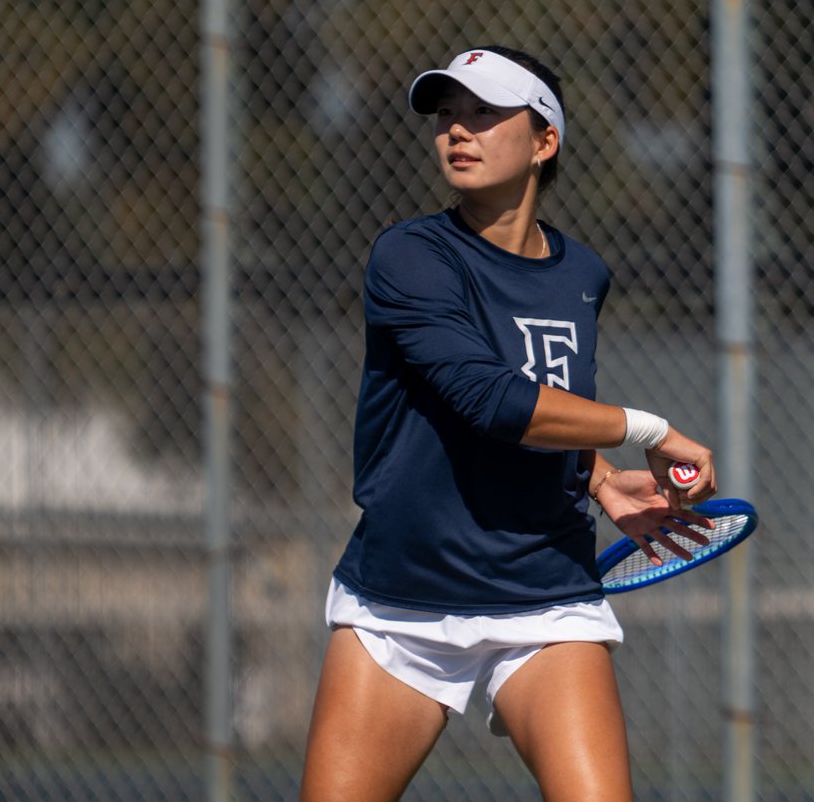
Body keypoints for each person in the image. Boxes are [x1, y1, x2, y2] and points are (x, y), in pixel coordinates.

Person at [299, 45, 718, 802]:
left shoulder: (582, 274)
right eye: (447, 114)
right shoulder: (410, 256)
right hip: (402, 604)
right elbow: (488, 400)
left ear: (544, 140)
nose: (458, 130)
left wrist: (599, 478)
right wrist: (650, 431)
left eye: (486, 112)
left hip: (545, 595)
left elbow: (543, 394)